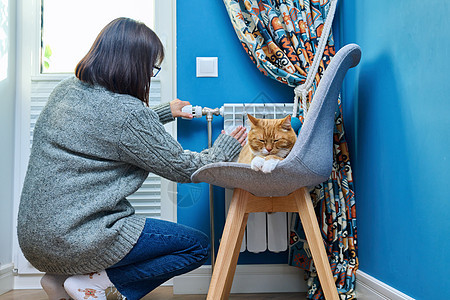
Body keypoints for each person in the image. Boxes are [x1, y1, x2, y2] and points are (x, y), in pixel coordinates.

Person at [17, 17, 247, 300]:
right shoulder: (128, 114)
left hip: (35, 240)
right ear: (134, 65)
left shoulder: (66, 90)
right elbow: (182, 167)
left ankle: (59, 277)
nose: (151, 75)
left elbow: (107, 127)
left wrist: (165, 111)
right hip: (79, 236)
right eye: (151, 67)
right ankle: (94, 283)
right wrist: (224, 147)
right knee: (196, 246)